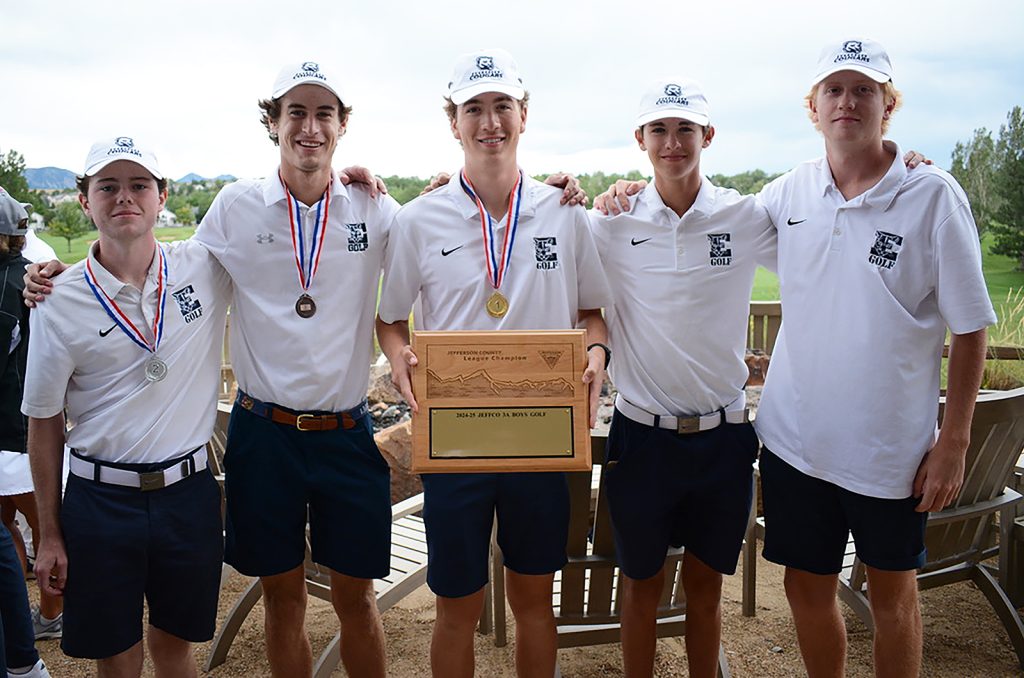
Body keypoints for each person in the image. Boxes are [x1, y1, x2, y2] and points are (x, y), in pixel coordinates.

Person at [752, 38, 996, 677]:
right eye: (833, 89)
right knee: (805, 589)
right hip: (794, 442)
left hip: (891, 453)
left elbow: (970, 329)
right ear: (813, 108)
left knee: (892, 599)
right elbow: (701, 218)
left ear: (888, 104)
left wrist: (955, 442)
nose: (848, 101)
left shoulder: (934, 196)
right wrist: (623, 193)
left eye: (865, 89)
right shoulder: (787, 194)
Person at [376, 48, 611, 678]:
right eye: (473, 109)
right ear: (453, 122)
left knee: (535, 600)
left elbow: (593, 312)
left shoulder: (566, 212)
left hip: (540, 440)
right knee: (457, 602)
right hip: (456, 443)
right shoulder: (419, 218)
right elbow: (390, 317)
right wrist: (400, 357)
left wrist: (594, 351)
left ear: (524, 114)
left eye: (502, 106)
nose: (489, 122)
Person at [192, 61, 402, 678]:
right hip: (265, 435)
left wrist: (551, 193)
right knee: (282, 601)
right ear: (274, 123)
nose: (309, 127)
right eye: (296, 113)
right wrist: (68, 275)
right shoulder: (237, 205)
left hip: (346, 434)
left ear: (340, 127)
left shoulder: (372, 206)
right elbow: (166, 270)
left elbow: (447, 234)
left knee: (356, 600)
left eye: (324, 114)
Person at [587, 79, 775, 678]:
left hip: (723, 437)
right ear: (640, 140)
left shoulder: (743, 216)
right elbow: (537, 231)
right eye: (660, 130)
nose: (673, 143)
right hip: (642, 440)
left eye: (686, 129)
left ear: (707, 137)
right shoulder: (609, 223)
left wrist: (897, 161)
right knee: (640, 586)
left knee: (705, 588)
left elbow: (828, 215)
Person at [22, 138, 231, 677]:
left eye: (139, 185)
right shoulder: (55, 298)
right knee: (116, 653)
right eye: (107, 186)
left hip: (187, 493)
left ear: (162, 196)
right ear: (84, 200)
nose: (124, 198)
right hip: (99, 502)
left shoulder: (204, 266)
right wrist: (48, 533)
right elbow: (44, 423)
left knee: (176, 645)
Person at [0, 187, 63, 643]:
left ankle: (48, 612)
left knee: (40, 529)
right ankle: (36, 612)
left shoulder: (19, 281)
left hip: (16, 431)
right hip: (20, 426)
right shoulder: (28, 275)